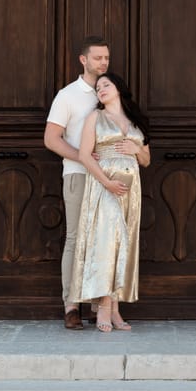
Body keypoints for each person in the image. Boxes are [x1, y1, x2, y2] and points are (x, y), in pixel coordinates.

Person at [68, 71, 150, 333]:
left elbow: (147, 159)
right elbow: (85, 154)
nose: (101, 89)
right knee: (105, 244)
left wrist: (137, 149)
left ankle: (115, 309)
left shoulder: (135, 121)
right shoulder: (96, 117)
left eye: (106, 84)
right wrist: (107, 182)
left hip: (131, 192)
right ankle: (103, 306)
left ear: (118, 88)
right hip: (105, 187)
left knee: (124, 245)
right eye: (98, 86)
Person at [44, 36, 110, 330]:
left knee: (100, 242)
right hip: (78, 176)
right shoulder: (68, 95)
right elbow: (51, 139)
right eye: (98, 58)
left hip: (106, 179)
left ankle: (98, 306)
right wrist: (83, 159)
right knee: (75, 239)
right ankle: (71, 305)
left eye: (106, 58)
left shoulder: (109, 92)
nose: (103, 63)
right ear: (83, 60)